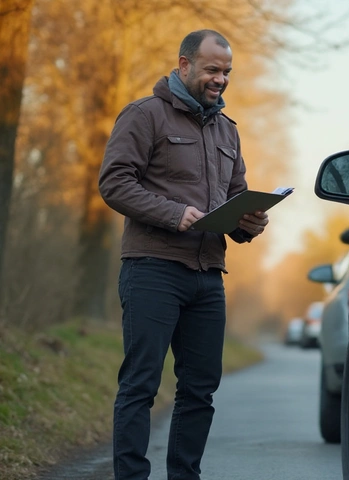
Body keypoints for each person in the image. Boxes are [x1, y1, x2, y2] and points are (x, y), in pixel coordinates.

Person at [98, 29, 269, 480]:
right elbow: (114, 183)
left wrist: (249, 224)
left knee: (200, 391)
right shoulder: (144, 115)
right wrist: (175, 214)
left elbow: (235, 197)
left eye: (227, 72)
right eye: (213, 70)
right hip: (152, 268)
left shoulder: (228, 131)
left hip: (209, 275)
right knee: (141, 385)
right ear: (184, 65)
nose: (221, 80)